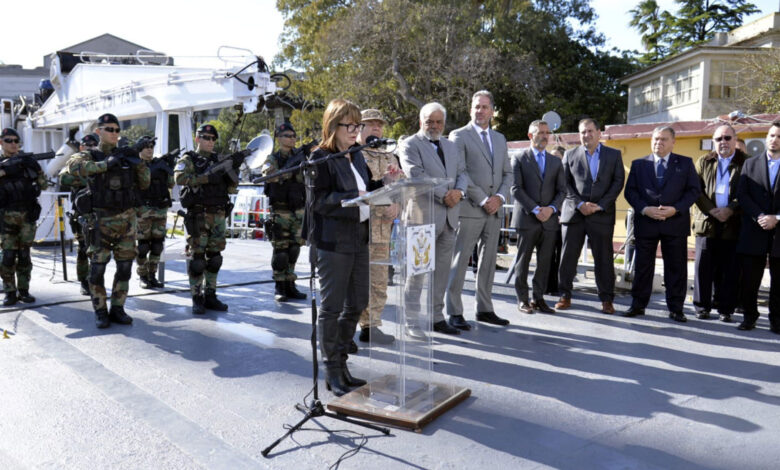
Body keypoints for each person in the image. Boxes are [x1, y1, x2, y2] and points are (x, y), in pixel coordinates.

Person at [306, 99, 397, 396]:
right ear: (333, 125)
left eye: (358, 125)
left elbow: (367, 192)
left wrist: (385, 183)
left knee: (357, 303)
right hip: (333, 243)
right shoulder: (320, 158)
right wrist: (351, 199)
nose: (355, 130)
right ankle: (332, 370)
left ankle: (343, 363)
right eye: (350, 125)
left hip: (360, 238)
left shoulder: (356, 156)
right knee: (331, 308)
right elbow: (318, 202)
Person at [64, 114, 150, 328]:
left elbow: (145, 183)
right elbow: (73, 169)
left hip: (126, 222)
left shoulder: (128, 157)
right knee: (97, 270)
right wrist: (106, 164)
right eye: (109, 129)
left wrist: (137, 161)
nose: (114, 133)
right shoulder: (90, 155)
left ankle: (118, 308)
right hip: (99, 221)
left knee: (124, 269)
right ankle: (101, 311)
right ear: (98, 131)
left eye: (116, 130)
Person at [398, 102, 468, 338]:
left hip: (449, 219)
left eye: (439, 122)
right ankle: (411, 321)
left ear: (444, 123)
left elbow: (463, 173)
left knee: (441, 273)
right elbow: (415, 174)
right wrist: (444, 195)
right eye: (430, 121)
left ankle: (437, 317)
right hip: (422, 218)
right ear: (421, 122)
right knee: (416, 273)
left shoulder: (451, 146)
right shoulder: (409, 144)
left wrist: (458, 193)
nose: (434, 126)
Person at [446, 90, 513, 328]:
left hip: (495, 211)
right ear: (470, 109)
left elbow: (508, 173)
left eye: (484, 107)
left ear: (492, 111)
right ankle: (454, 310)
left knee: (488, 262)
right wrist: (484, 199)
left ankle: (485, 308)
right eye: (476, 106)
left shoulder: (500, 139)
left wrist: (500, 197)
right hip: (470, 208)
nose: (480, 111)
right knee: (460, 260)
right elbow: (460, 172)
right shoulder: (459, 136)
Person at [623, 126, 700, 322]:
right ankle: (638, 305)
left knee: (676, 267)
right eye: (656, 139)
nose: (659, 142)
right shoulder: (639, 164)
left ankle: (676, 308)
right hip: (646, 223)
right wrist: (644, 209)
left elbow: (693, 191)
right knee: (642, 266)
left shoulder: (685, 163)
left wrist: (676, 208)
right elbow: (630, 192)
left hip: (674, 223)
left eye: (664, 139)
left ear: (673, 142)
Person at [556, 118, 625, 314]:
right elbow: (564, 183)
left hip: (601, 215)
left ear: (599, 132)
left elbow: (618, 182)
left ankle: (606, 300)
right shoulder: (570, 155)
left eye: (590, 131)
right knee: (568, 258)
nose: (586, 135)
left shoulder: (614, 155)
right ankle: (564, 295)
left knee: (604, 259)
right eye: (582, 132)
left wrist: (600, 206)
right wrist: (579, 204)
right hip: (575, 214)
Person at [175, 124, 237, 315]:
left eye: (213, 139)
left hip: (218, 214)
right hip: (199, 216)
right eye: (206, 138)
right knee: (198, 259)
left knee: (215, 258)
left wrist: (233, 169)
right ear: (197, 139)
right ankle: (196, 297)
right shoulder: (188, 159)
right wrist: (207, 177)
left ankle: (211, 295)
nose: (210, 142)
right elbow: (180, 178)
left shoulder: (220, 160)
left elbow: (232, 188)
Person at [692, 124, 747, 322]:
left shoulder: (747, 163)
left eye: (727, 138)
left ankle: (726, 309)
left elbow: (748, 191)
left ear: (735, 139)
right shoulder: (703, 161)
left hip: (734, 223)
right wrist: (711, 210)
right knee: (703, 268)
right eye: (718, 139)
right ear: (713, 142)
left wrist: (730, 208)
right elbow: (695, 189)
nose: (723, 142)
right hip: (707, 222)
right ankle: (701, 307)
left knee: (730, 269)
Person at [511, 120, 566, 314]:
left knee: (544, 262)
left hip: (549, 221)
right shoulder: (519, 158)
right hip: (527, 218)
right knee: (523, 261)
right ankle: (523, 299)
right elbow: (516, 188)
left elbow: (562, 191)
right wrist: (536, 209)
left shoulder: (556, 161)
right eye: (540, 132)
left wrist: (551, 209)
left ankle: (539, 298)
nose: (544, 136)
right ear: (530, 135)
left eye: (547, 132)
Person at [356, 109, 401, 344]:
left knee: (380, 279)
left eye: (379, 125)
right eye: (370, 124)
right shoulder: (355, 156)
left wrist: (398, 205)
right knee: (360, 279)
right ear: (359, 128)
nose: (376, 128)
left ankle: (371, 325)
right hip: (362, 227)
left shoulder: (390, 156)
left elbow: (401, 186)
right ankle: (354, 324)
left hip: (384, 229)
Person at [735, 121, 780, 333]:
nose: (774, 139)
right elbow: (742, 195)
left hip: (779, 231)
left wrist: (776, 218)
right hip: (755, 229)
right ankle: (749, 317)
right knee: (750, 279)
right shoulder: (750, 164)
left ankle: (777, 320)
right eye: (771, 135)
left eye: (779, 136)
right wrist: (761, 216)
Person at [0, 128, 48, 306]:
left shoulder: (26, 162)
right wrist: (5, 171)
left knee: (24, 255)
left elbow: (43, 186)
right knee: (7, 256)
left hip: (27, 216)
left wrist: (35, 169)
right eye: (8, 140)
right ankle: (9, 292)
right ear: (1, 142)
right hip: (5, 216)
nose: (13, 143)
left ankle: (24, 290)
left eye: (15, 140)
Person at [262, 123, 307, 303]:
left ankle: (290, 283)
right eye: (287, 135)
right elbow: (269, 175)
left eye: (293, 135)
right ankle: (279, 285)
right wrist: (289, 171)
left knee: (294, 248)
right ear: (279, 138)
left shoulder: (301, 156)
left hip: (298, 209)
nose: (291, 138)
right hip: (280, 210)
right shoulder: (272, 158)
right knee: (281, 250)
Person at [59, 133, 98, 296]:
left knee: (97, 250)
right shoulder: (73, 163)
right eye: (86, 146)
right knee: (83, 248)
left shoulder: (101, 163)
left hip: (99, 213)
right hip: (80, 214)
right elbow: (64, 179)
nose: (90, 148)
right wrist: (86, 177)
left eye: (93, 145)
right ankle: (83, 281)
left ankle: (95, 280)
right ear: (81, 147)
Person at [134, 135, 174, 289]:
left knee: (157, 245)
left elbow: (171, 184)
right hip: (143, 209)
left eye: (151, 146)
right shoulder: (136, 165)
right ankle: (143, 275)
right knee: (143, 246)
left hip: (160, 209)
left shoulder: (160, 164)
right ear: (140, 149)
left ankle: (152, 275)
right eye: (146, 147)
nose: (149, 149)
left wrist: (170, 168)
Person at [546, 146, 566, 295]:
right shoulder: (547, 173)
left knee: (562, 254)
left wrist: (563, 214)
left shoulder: (567, 174)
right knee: (548, 253)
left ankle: (559, 285)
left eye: (556, 157)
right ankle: (548, 285)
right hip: (549, 218)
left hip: (564, 219)